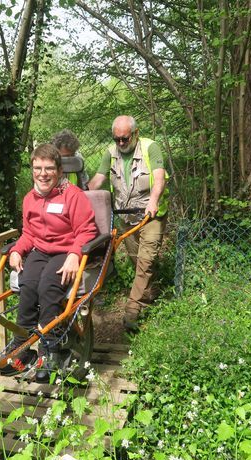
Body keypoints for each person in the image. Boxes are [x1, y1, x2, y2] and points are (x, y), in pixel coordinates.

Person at [1, 143, 97, 383]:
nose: (42, 173)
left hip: (65, 251)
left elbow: (87, 230)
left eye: (49, 168)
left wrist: (75, 254)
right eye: (37, 168)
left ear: (59, 171)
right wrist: (16, 250)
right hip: (40, 251)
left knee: (47, 286)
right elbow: (28, 234)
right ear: (32, 169)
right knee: (28, 284)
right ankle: (23, 343)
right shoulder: (30, 199)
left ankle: (50, 349)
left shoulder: (72, 195)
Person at [88, 115, 168, 332]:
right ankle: (150, 291)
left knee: (146, 259)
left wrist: (153, 200)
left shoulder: (151, 148)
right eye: (117, 139)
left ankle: (132, 311)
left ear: (135, 133)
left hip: (151, 215)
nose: (121, 143)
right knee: (137, 261)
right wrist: (80, 197)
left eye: (124, 139)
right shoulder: (110, 153)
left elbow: (159, 178)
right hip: (126, 216)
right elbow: (97, 180)